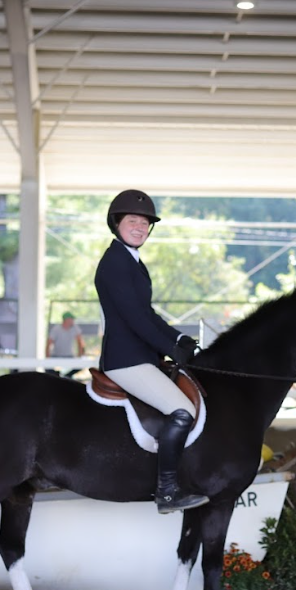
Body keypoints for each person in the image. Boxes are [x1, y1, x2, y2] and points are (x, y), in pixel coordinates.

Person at [95, 188, 207, 514]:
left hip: (140, 356)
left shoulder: (132, 262)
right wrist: (169, 348)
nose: (140, 227)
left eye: (145, 223)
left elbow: (148, 314)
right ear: (117, 223)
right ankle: (167, 492)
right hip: (126, 360)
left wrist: (179, 338)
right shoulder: (115, 262)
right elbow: (134, 318)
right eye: (133, 221)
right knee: (182, 411)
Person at [46, 311, 86, 378]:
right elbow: (48, 343)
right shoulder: (56, 329)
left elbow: (80, 342)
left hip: (69, 356)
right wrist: (47, 358)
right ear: (66, 320)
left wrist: (80, 356)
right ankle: (57, 376)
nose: (73, 321)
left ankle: (66, 376)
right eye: (72, 319)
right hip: (56, 355)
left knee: (81, 365)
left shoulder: (75, 328)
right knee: (47, 368)